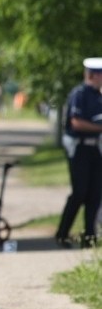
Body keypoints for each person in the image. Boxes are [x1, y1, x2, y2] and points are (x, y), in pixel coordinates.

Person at [54, 57, 102, 249]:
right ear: (92, 75)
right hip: (79, 148)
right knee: (80, 192)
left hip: (95, 149)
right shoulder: (79, 94)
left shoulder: (98, 96)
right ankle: (63, 233)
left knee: (95, 194)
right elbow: (76, 122)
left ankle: (89, 236)